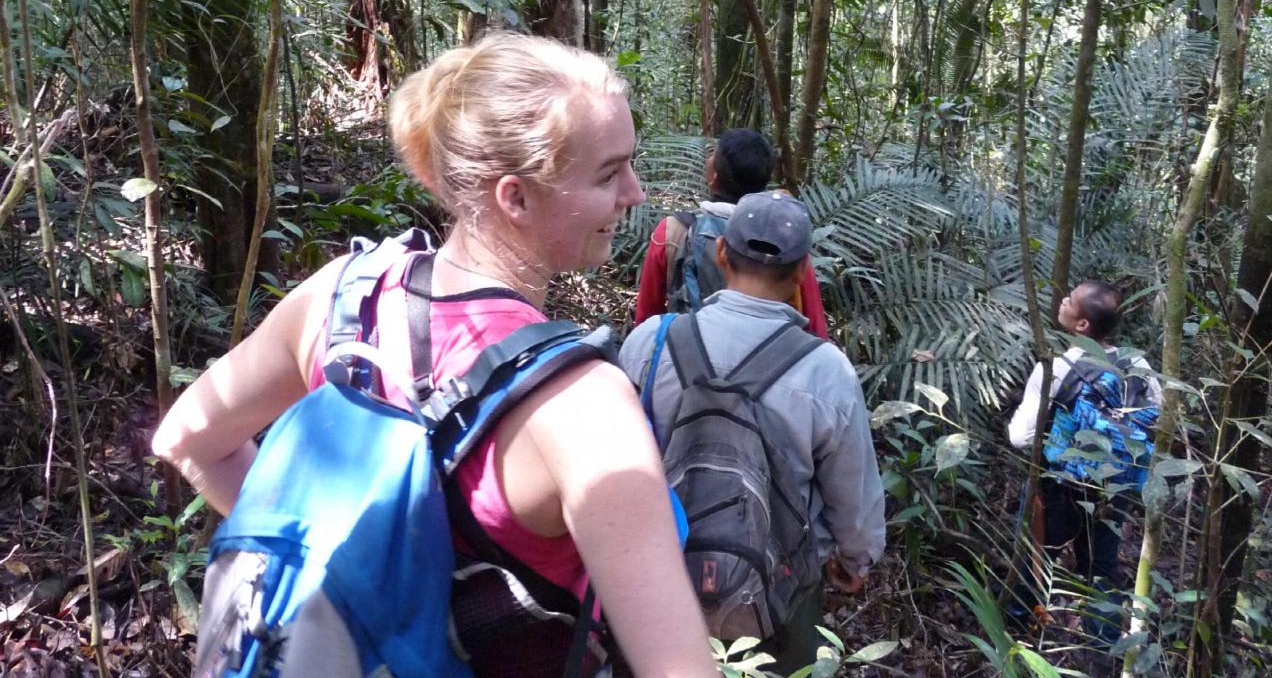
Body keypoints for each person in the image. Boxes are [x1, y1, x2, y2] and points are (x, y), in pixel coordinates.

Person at [151, 33, 717, 677]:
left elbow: (189, 436)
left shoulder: (340, 300)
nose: (636, 193)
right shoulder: (582, 407)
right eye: (609, 172)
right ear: (516, 197)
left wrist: (348, 572)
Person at [620, 191, 884, 673]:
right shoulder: (826, 372)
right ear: (804, 271)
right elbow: (854, 495)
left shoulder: (650, 342)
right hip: (775, 589)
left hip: (656, 585)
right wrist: (853, 560)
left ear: (721, 252)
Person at [1007, 279, 1162, 645]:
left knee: (1035, 556)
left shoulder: (1061, 367)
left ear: (1082, 326)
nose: (1062, 300)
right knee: (1103, 568)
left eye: (1070, 300)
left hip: (1060, 485)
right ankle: (1104, 648)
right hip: (1115, 489)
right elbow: (1157, 416)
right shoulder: (1136, 363)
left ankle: (1015, 635)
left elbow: (1020, 437)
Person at [632, 129, 829, 339]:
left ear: (714, 176)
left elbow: (645, 322)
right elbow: (815, 330)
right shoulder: (785, 240)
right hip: (770, 363)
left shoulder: (672, 232)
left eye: (712, 155)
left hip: (687, 361)